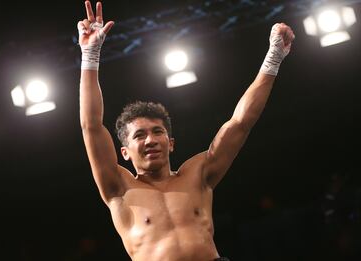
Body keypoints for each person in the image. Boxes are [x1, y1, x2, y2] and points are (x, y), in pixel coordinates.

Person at [77, 1, 295, 260]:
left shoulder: (198, 174)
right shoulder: (118, 188)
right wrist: (90, 55)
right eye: (139, 135)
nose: (150, 140)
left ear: (170, 143)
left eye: (157, 132)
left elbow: (240, 123)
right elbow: (91, 126)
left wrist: (273, 58)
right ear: (124, 152)